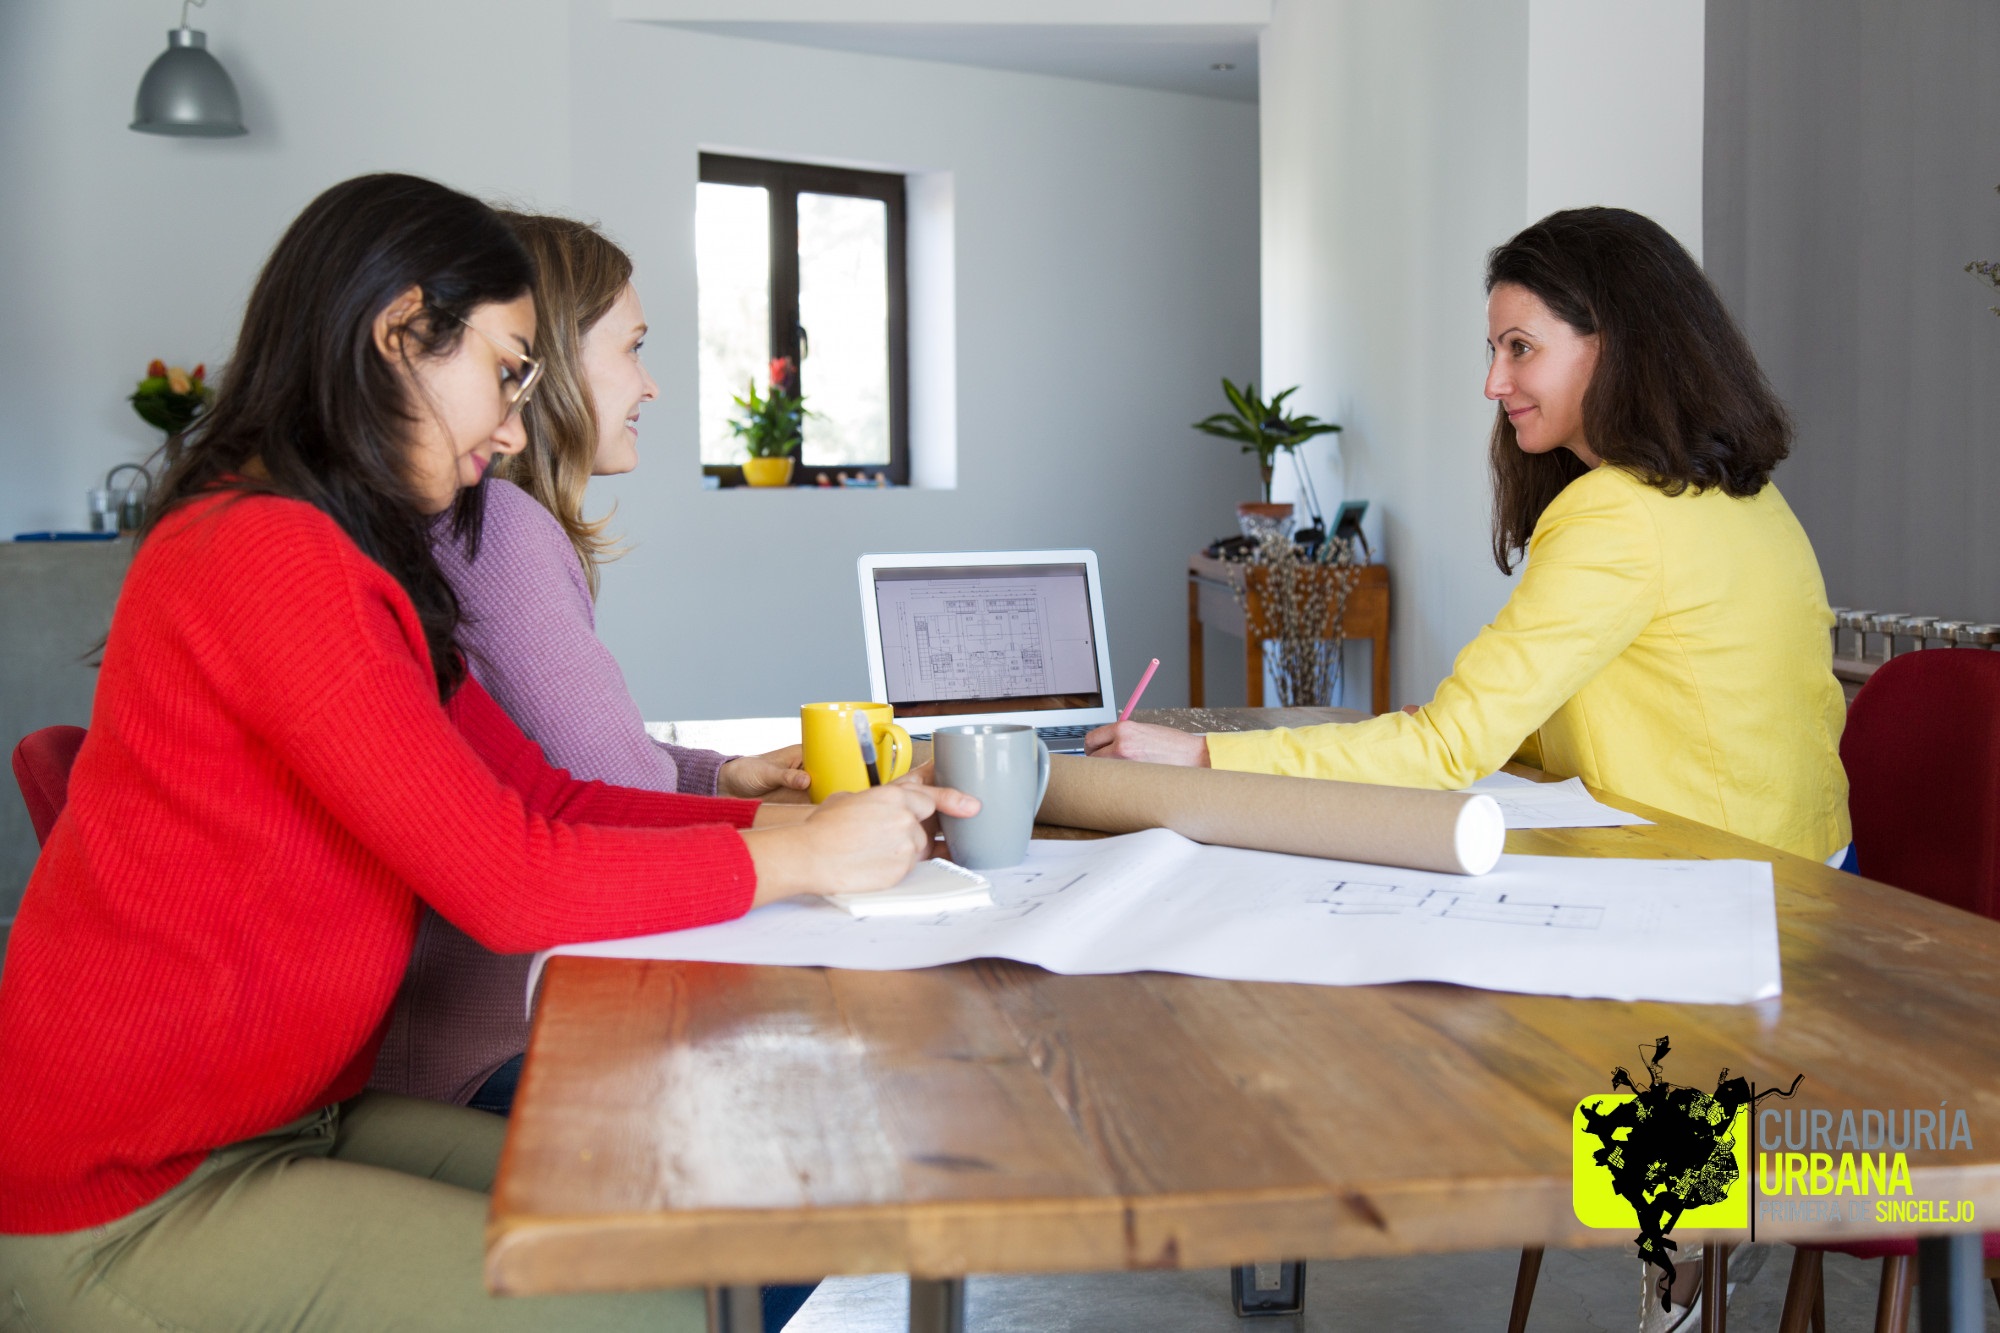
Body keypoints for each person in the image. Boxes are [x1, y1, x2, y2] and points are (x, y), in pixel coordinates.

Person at [0, 173, 972, 1332]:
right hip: (133, 1190)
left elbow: (547, 796)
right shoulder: (262, 555)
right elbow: (510, 879)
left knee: (726, 1233)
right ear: (402, 334)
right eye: (508, 371)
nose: (516, 424)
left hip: (286, 1117)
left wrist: (795, 826)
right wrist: (808, 861)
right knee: (660, 1312)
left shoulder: (344, 556)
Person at [1088, 207, 1851, 863]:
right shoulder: (1747, 498)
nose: (1494, 383)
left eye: (1520, 347)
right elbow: (1640, 711)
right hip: (1813, 863)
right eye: (1493, 350)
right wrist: (1464, 726)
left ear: (1616, 345)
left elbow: (1448, 751)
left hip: (1729, 885)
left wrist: (1197, 753)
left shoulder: (1618, 514)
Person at [374, 214, 806, 1119]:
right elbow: (609, 787)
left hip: (445, 1017)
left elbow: (551, 773)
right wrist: (811, 838)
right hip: (497, 1029)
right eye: (634, 348)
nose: (649, 384)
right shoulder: (499, 531)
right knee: (808, 1117)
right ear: (548, 365)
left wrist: (724, 775)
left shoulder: (464, 525)